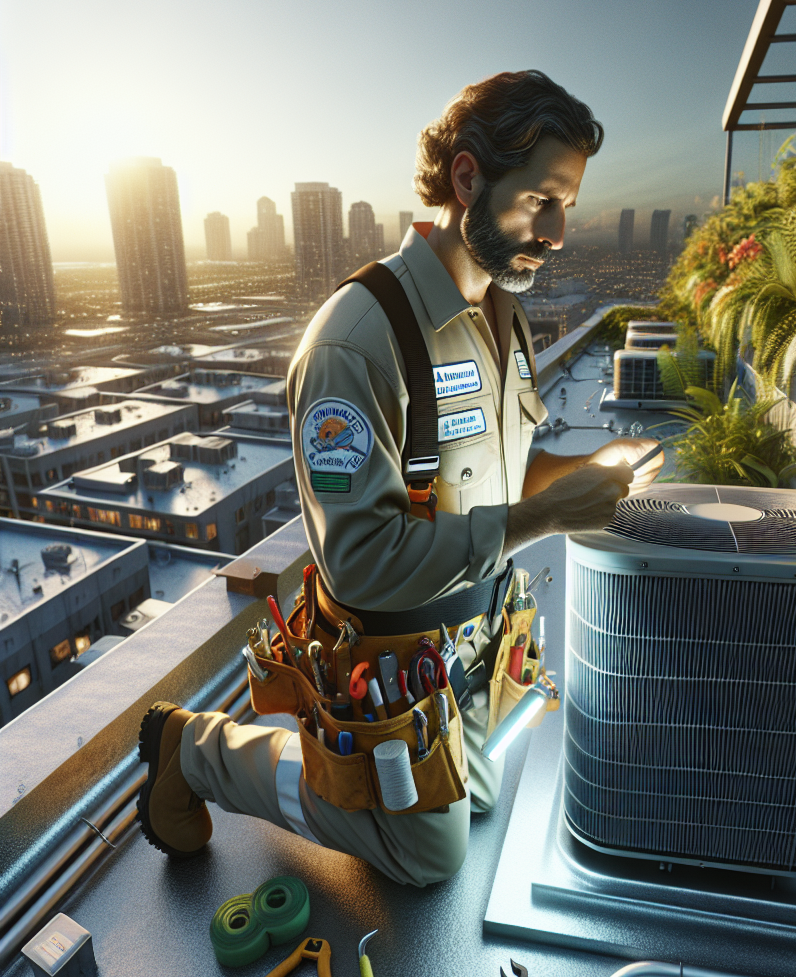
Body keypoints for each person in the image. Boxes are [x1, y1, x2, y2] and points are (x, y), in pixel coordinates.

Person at [136, 70, 663, 886]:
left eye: (568, 205)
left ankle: (413, 772)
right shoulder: (357, 340)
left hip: (480, 639)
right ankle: (198, 751)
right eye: (541, 201)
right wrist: (548, 517)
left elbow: (507, 470)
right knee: (429, 858)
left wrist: (591, 474)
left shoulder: (502, 312)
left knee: (483, 800)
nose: (559, 232)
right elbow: (361, 562)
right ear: (467, 178)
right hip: (392, 649)